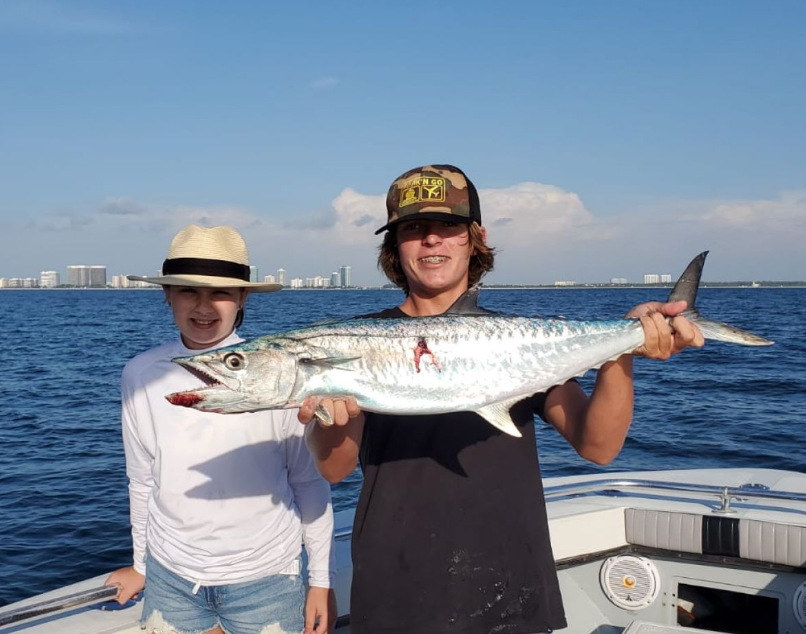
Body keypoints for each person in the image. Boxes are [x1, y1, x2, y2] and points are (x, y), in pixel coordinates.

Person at [299, 165, 705, 634]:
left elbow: (599, 446)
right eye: (413, 229)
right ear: (394, 247)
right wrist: (330, 417)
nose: (432, 241)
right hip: (395, 591)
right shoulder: (354, 340)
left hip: (513, 593)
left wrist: (623, 349)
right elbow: (333, 469)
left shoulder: (519, 343)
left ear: (475, 238)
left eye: (448, 226)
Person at [106, 224, 336, 634]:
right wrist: (142, 565)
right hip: (169, 578)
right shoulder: (140, 374)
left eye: (221, 292)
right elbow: (141, 480)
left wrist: (320, 581)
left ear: (242, 296)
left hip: (268, 578)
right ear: (168, 294)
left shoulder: (283, 374)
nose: (204, 306)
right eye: (188, 291)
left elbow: (309, 482)